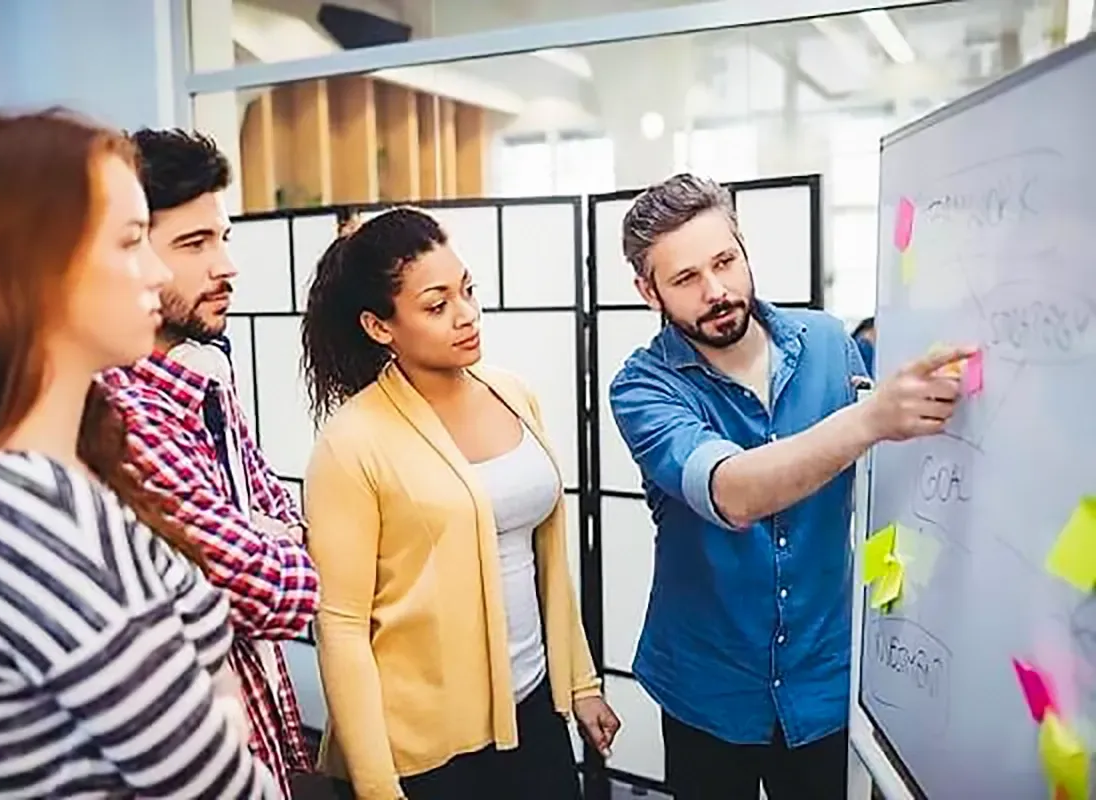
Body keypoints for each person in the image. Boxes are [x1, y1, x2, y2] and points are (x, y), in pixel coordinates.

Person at [0, 108, 277, 798]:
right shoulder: (28, 518)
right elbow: (216, 783)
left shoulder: (60, 476)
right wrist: (220, 706)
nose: (157, 273)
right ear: (35, 271)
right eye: (132, 241)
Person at [608, 174, 972, 800]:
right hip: (708, 688)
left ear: (744, 248)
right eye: (686, 278)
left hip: (824, 679)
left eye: (725, 261)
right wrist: (867, 418)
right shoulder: (641, 388)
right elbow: (732, 491)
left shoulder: (830, 343)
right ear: (648, 291)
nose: (717, 291)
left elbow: (886, 482)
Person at [300, 207, 621, 800]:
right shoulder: (352, 441)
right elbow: (340, 626)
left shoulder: (512, 393)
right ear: (380, 327)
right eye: (436, 304)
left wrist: (578, 682)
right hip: (424, 752)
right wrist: (377, 786)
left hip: (534, 711)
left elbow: (547, 558)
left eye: (467, 290)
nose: (466, 315)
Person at [96, 129, 321, 796]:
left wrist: (273, 537)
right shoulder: (116, 413)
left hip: (264, 736)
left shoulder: (203, 377)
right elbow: (275, 589)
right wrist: (272, 542)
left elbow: (280, 522)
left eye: (223, 237)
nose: (226, 265)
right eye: (193, 245)